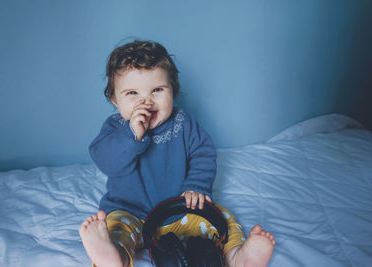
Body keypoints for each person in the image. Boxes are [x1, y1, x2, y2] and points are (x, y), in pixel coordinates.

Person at [79, 40, 275, 267]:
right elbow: (108, 163)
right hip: (130, 211)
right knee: (116, 229)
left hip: (180, 210)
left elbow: (203, 153)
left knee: (222, 217)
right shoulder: (114, 128)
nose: (146, 101)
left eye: (157, 90)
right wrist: (132, 134)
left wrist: (197, 186)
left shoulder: (183, 123)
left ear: (173, 90)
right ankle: (114, 257)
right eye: (132, 93)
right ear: (115, 100)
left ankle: (237, 256)